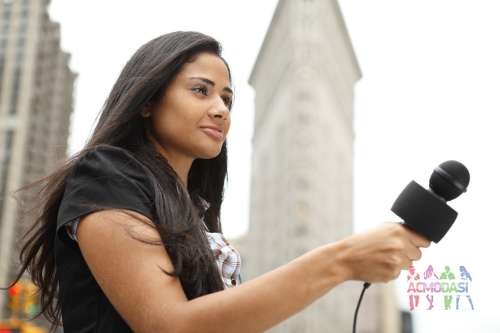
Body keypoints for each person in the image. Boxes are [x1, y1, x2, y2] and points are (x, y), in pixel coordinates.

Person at [3, 31, 430, 333]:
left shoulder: (195, 213)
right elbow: (169, 326)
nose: (221, 109)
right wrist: (340, 261)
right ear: (149, 99)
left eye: (227, 98)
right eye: (201, 91)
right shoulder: (105, 175)